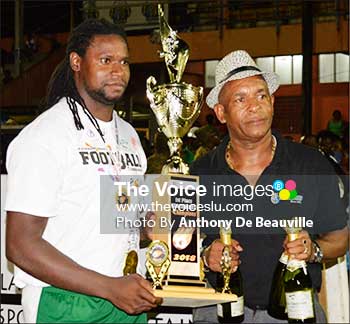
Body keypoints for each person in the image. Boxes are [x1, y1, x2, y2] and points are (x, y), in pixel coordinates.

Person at [5, 19, 161, 323]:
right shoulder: (45, 136)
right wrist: (109, 287)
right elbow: (20, 245)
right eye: (105, 60)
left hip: (126, 295)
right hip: (63, 302)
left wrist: (149, 229)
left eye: (124, 61)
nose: (118, 71)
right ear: (76, 62)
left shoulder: (129, 136)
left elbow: (117, 221)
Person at [190, 50, 348, 323]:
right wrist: (206, 255)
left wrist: (313, 251)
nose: (255, 106)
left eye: (262, 95)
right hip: (218, 309)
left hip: (295, 312)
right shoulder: (201, 172)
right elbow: (178, 242)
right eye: (241, 98)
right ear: (221, 112)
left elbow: (340, 239)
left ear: (273, 102)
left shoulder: (309, 165)